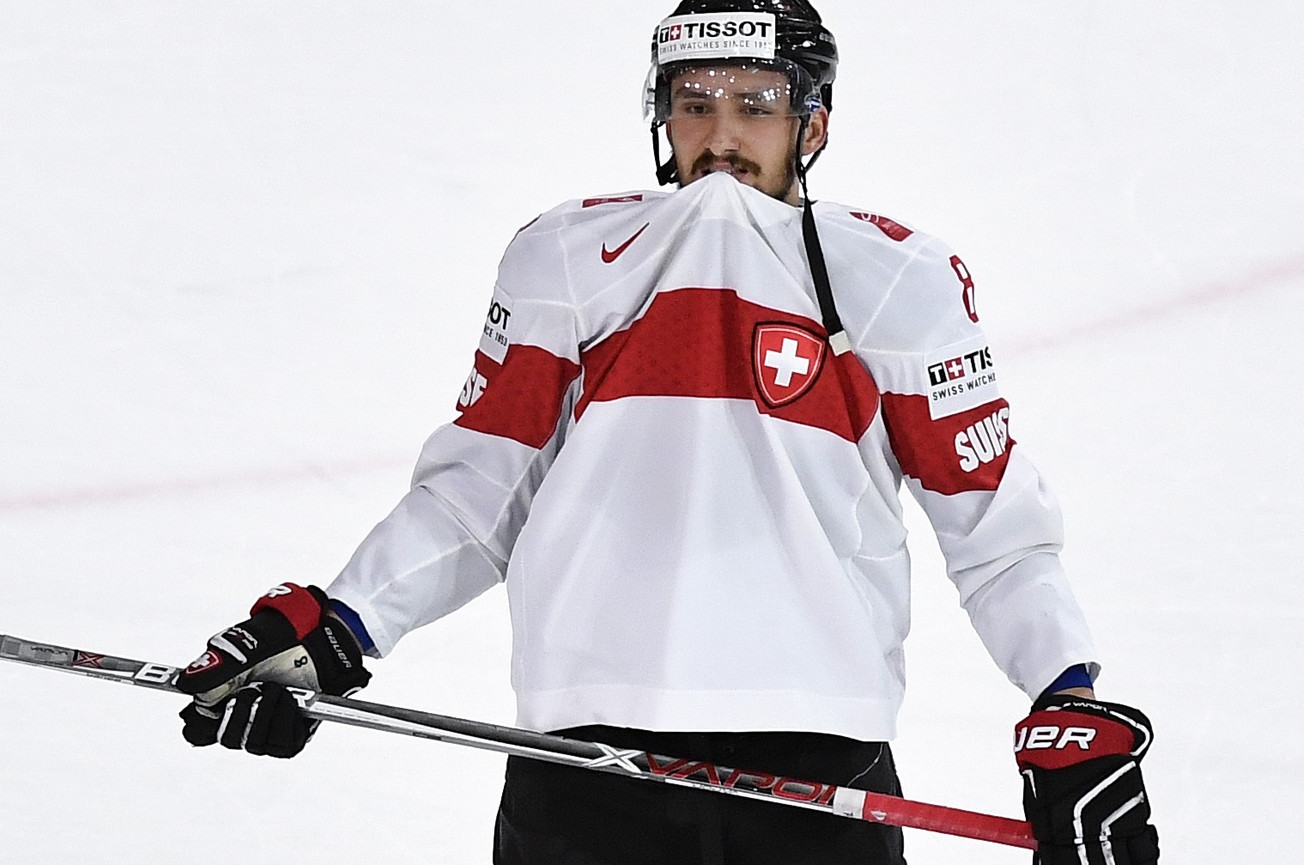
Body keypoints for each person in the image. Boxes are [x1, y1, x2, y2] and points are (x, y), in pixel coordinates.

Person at [174, 2, 1160, 863]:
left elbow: (996, 534)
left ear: (811, 123)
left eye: (755, 105)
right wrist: (340, 627)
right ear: (661, 116)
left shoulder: (898, 280)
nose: (721, 137)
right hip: (581, 769)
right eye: (695, 103)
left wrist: (1064, 696)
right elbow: (476, 499)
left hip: (819, 770)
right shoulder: (565, 257)